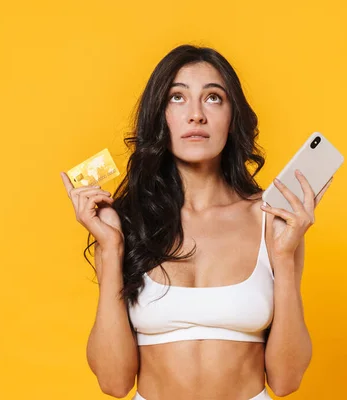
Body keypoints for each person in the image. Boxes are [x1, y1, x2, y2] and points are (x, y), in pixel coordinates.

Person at [60, 44, 332, 400]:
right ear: (159, 116)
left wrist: (283, 256)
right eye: (177, 98)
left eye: (214, 98)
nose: (196, 115)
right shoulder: (127, 224)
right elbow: (114, 383)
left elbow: (286, 380)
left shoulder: (273, 219)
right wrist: (110, 248)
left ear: (233, 117)